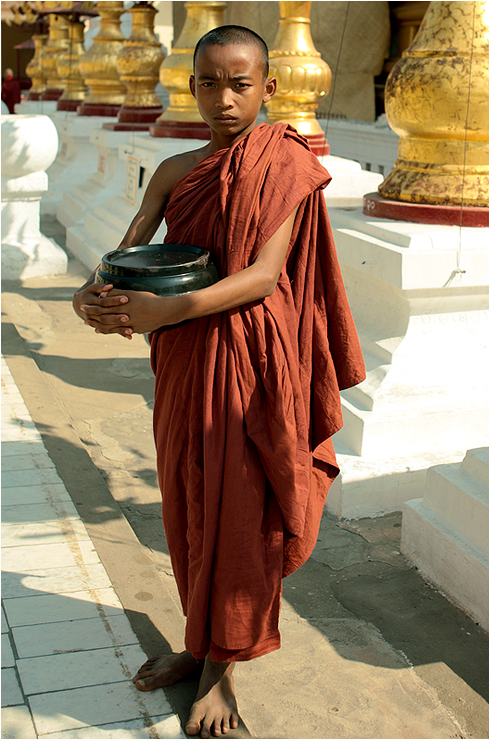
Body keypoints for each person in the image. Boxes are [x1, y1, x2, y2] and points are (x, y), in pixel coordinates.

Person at [73, 25, 365, 739]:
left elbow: (264, 275)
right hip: (182, 358)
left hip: (248, 354)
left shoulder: (285, 163)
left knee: (238, 506)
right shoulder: (177, 169)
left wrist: (161, 309)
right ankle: (197, 640)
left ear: (267, 88)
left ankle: (222, 666)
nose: (224, 99)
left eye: (240, 83)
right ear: (192, 86)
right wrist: (90, 295)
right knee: (187, 498)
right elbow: (125, 251)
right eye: (209, 82)